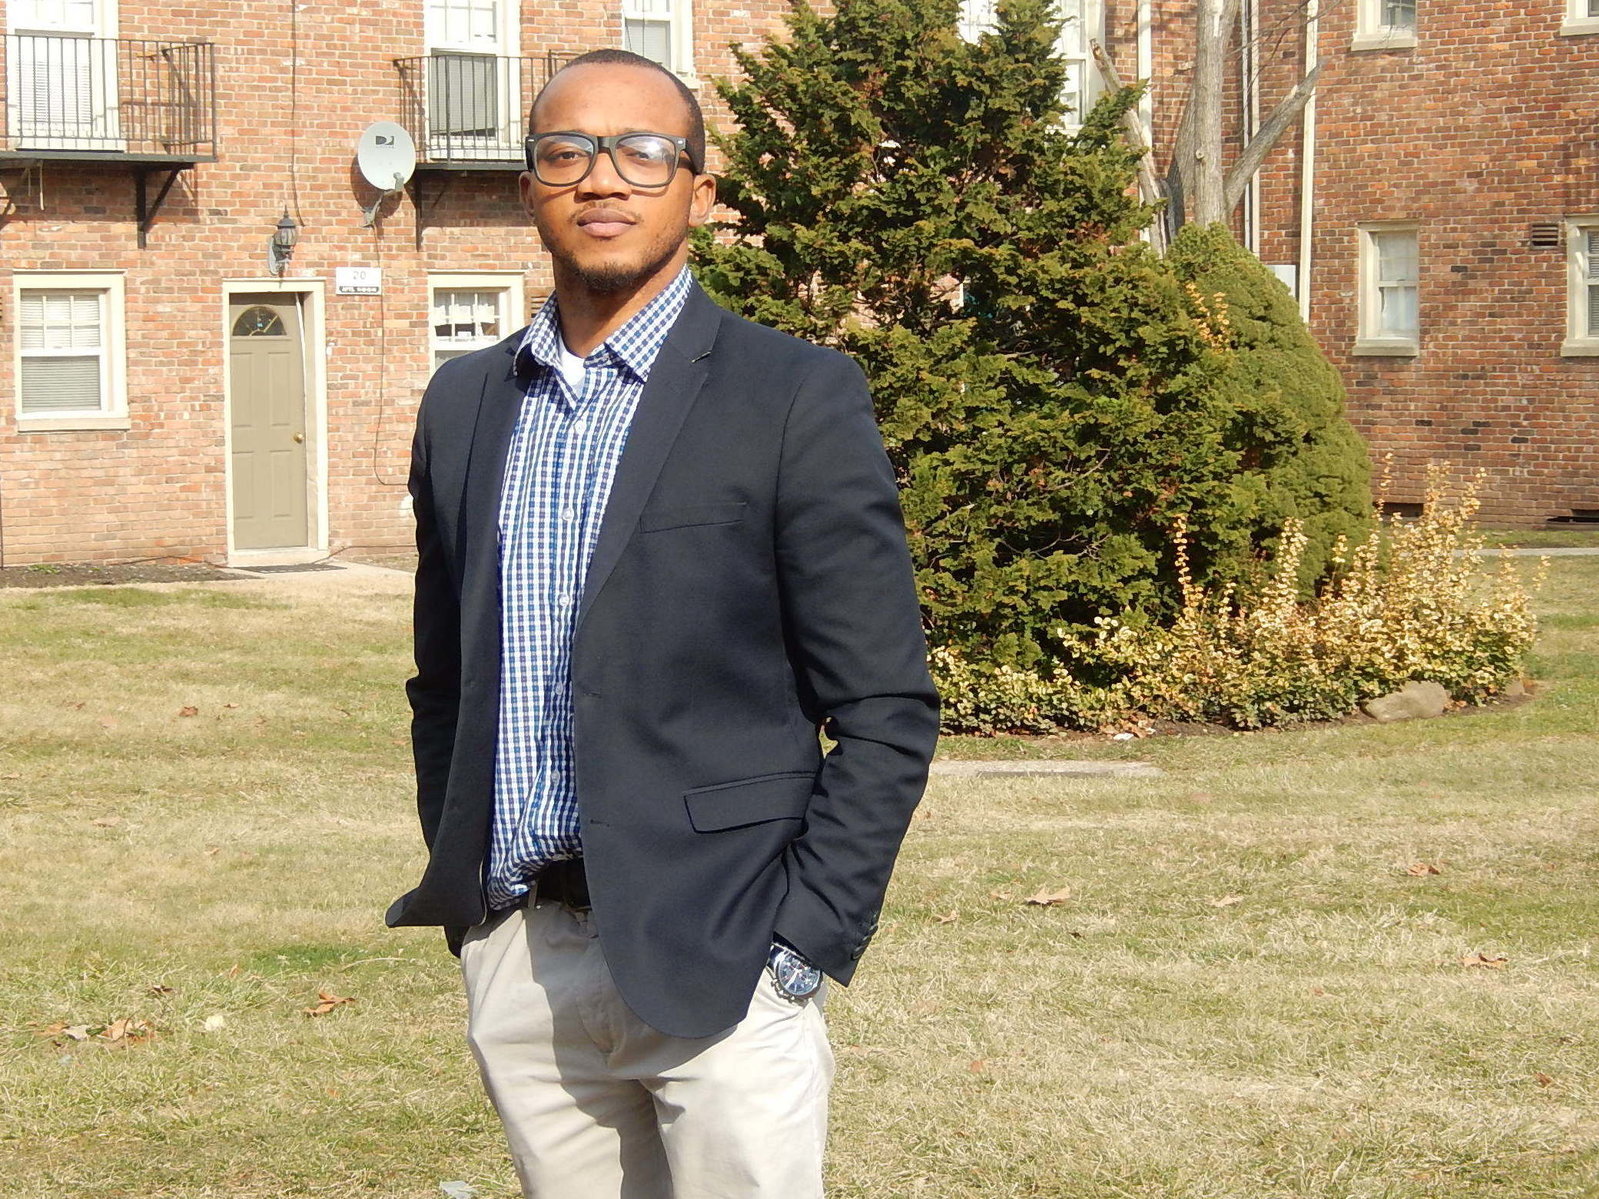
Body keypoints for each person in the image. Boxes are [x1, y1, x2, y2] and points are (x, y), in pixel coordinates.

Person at [387, 48, 939, 1199]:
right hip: (526, 954)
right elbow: (445, 679)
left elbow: (885, 710)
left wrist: (800, 943)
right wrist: (477, 918)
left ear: (698, 186)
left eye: (644, 151)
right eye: (566, 151)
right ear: (528, 184)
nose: (603, 179)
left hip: (726, 958)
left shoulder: (793, 395)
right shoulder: (467, 403)